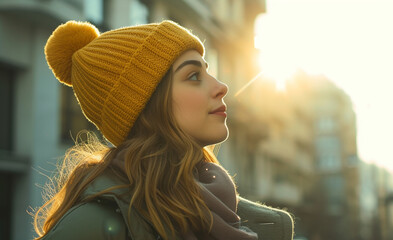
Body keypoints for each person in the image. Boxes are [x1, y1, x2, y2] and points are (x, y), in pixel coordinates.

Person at [34, 20, 294, 240]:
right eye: (193, 76)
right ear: (146, 106)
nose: (221, 86)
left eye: (208, 71)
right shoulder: (91, 225)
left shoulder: (231, 208)